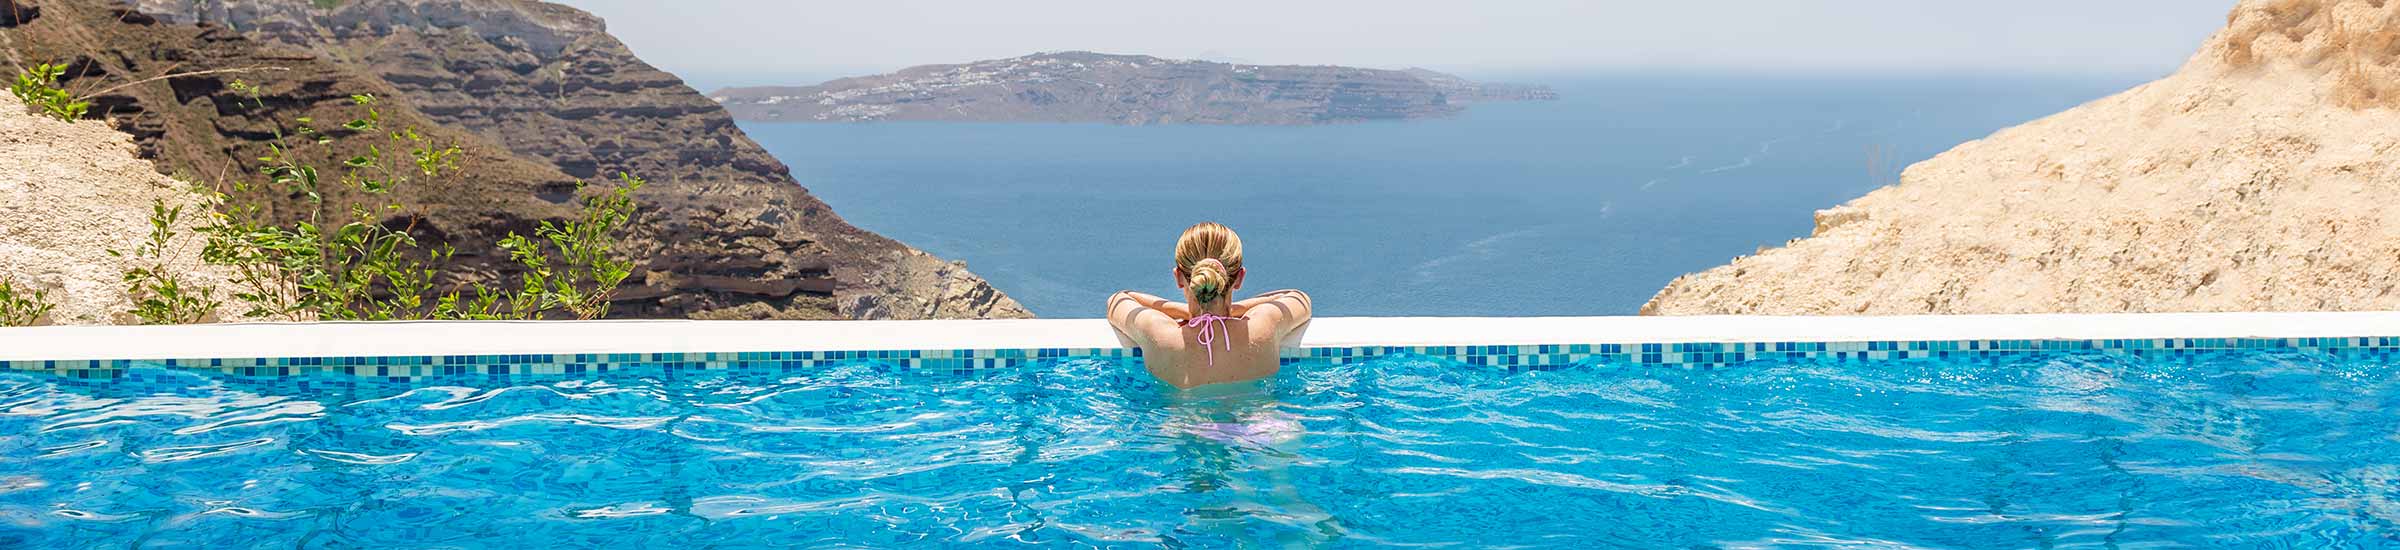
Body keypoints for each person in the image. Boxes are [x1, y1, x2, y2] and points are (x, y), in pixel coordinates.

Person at [1107, 222, 1313, 389]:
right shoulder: (1262, 325)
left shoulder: (1160, 333)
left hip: (1182, 431)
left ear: (1179, 277)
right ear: (1239, 278)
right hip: (1257, 428)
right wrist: (1235, 309)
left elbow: (1118, 299)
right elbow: (1297, 297)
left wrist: (1183, 310)